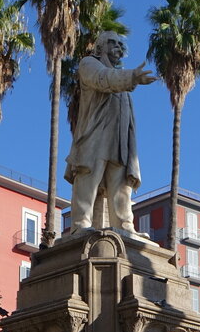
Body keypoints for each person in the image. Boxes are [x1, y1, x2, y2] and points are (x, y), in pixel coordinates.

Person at [64, 33, 157, 233]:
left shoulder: (121, 78)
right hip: (95, 135)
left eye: (121, 44)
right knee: (88, 179)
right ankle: (80, 226)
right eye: (112, 42)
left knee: (122, 185)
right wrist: (131, 77)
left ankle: (124, 226)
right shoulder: (89, 64)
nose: (118, 46)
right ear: (100, 47)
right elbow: (102, 79)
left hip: (120, 139)